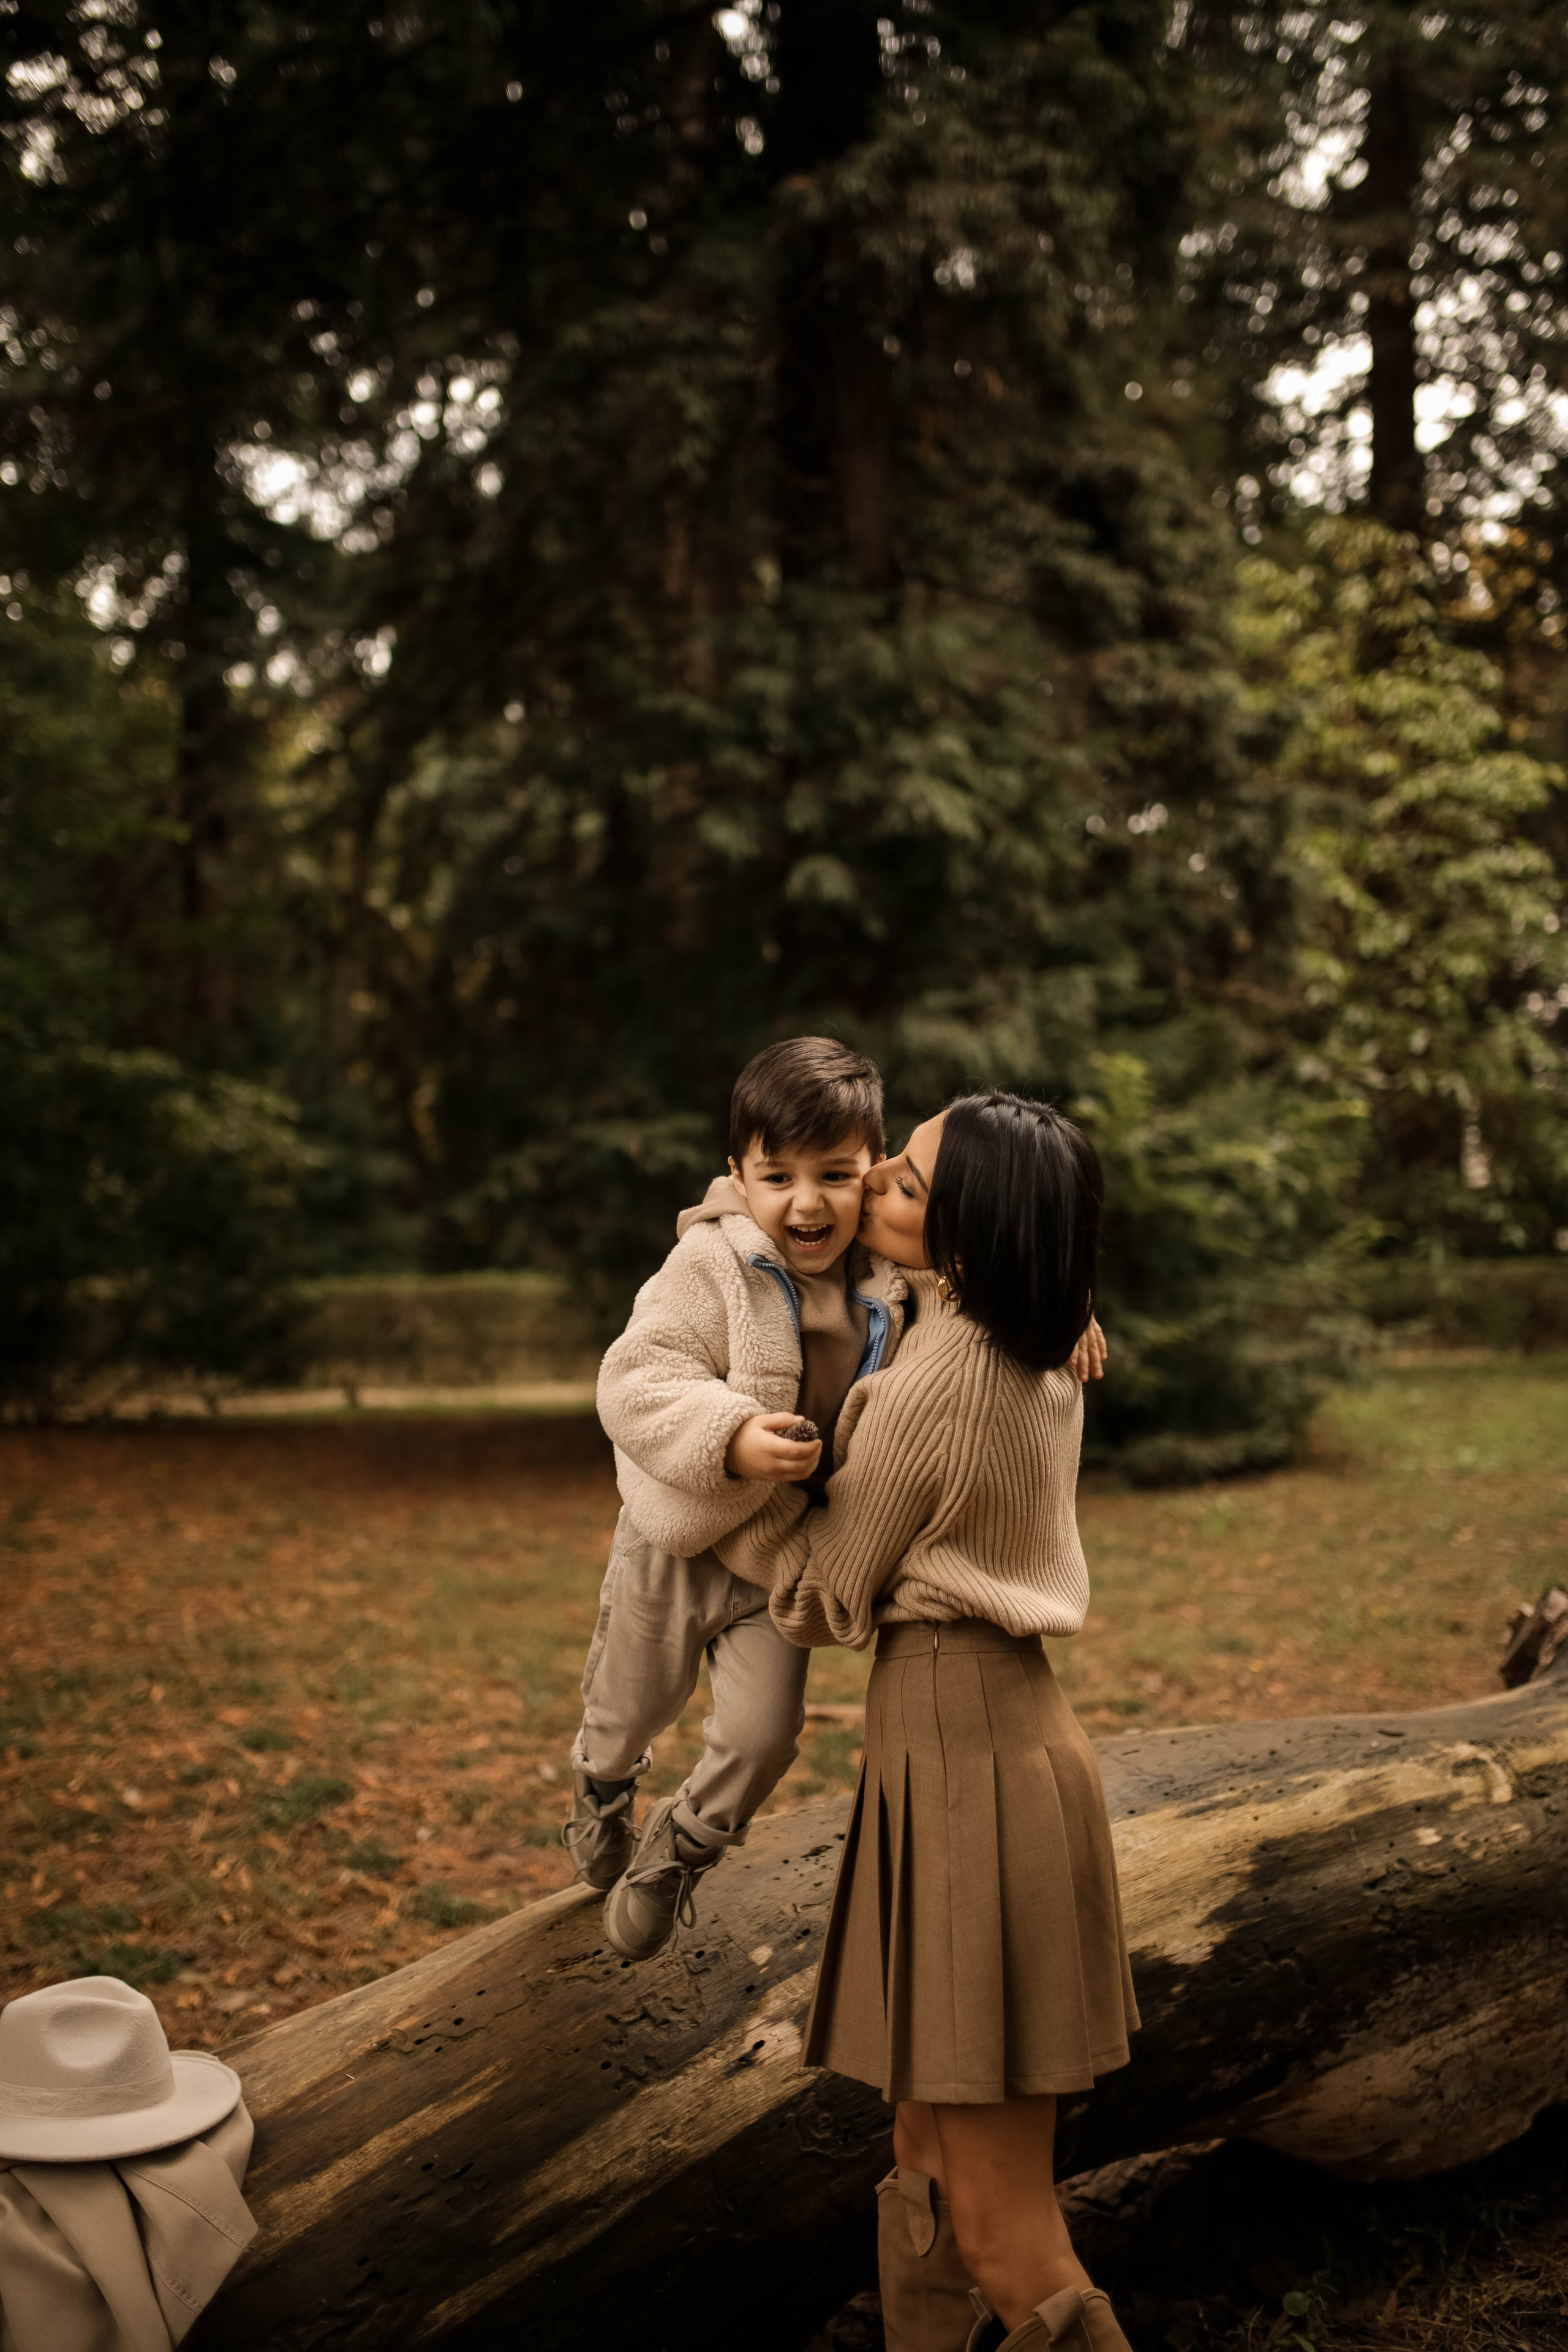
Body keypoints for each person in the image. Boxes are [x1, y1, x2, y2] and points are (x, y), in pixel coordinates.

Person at [717, 1094, 1137, 2352]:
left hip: (964, 1759)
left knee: (1007, 2223)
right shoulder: (1023, 1330)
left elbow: (813, 1594)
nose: (869, 1189)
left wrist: (718, 1464)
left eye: (899, 1182)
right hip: (976, 1743)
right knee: (918, 2138)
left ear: (969, 1232)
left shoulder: (938, 1388)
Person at [562, 1036, 908, 1960]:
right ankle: (601, 1787)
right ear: (738, 1176)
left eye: (836, 1174)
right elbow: (635, 1377)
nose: (807, 1202)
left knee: (764, 1736)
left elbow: (989, 1286)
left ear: (875, 1170)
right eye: (778, 1175)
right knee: (628, 1704)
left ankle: (680, 1848)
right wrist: (731, 1434)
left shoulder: (892, 1274)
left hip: (780, 1559)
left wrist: (1066, 1310)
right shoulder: (711, 1264)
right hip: (676, 1539)